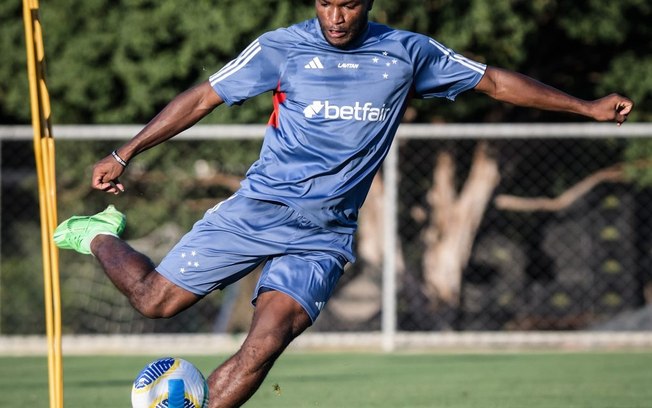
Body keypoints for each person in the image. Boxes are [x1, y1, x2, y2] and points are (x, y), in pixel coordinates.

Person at [54, 0, 633, 406]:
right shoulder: (282, 48)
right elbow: (204, 96)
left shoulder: (408, 53)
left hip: (323, 234)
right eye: (326, 4)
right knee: (155, 303)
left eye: (349, 5)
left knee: (267, 340)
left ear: (368, 4)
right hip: (256, 211)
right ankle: (100, 232)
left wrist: (585, 108)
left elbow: (495, 83)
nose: (335, 16)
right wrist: (126, 152)